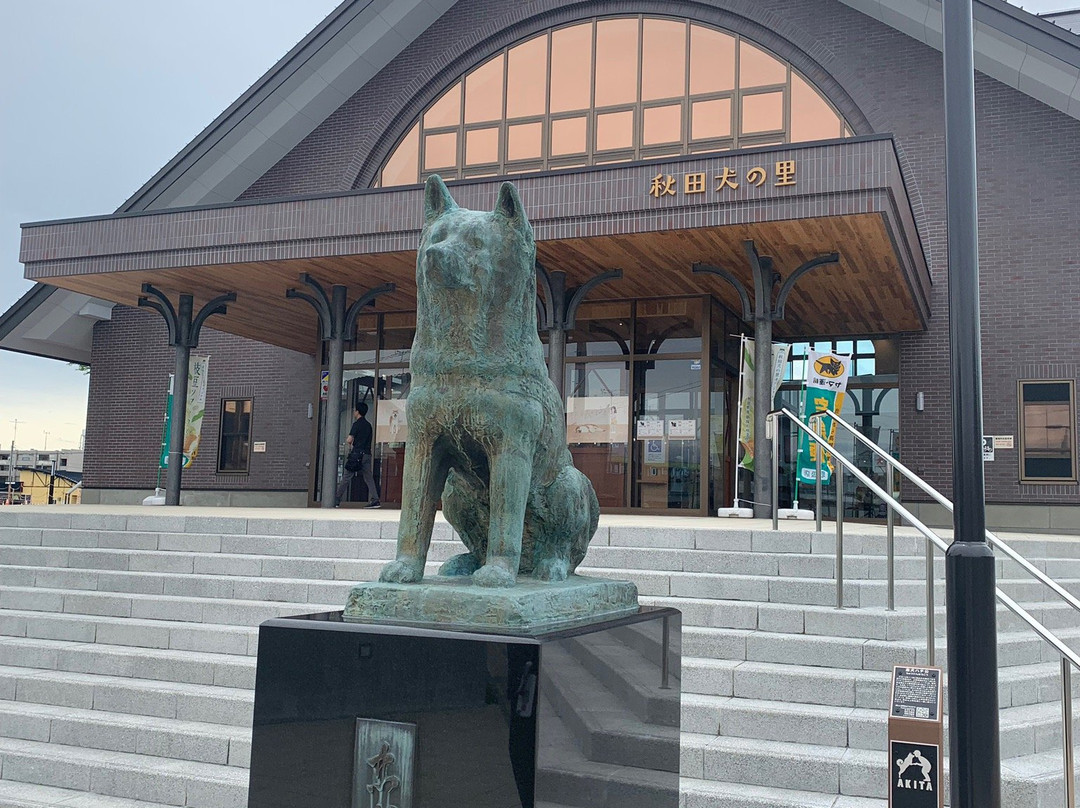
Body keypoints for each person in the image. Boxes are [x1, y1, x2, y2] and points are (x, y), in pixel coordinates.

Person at [336, 402, 380, 508]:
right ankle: (375, 499)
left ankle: (336, 499)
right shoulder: (368, 425)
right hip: (367, 454)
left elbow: (349, 440)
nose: (354, 412)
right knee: (369, 477)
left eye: (355, 410)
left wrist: (349, 443)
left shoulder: (357, 424)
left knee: (346, 477)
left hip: (356, 455)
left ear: (358, 412)